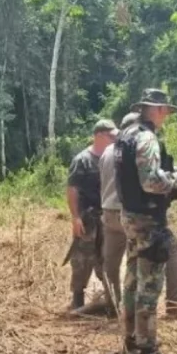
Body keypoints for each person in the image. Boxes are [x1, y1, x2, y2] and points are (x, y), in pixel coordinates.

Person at [115, 89, 177, 354]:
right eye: (164, 109)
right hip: (148, 221)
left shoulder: (125, 136)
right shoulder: (146, 137)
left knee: (131, 280)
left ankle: (130, 339)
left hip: (129, 216)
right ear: (156, 110)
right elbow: (152, 182)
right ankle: (148, 352)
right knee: (149, 287)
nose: (166, 115)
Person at [100, 113, 177, 318]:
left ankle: (114, 306)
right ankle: (172, 307)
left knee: (116, 264)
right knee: (159, 261)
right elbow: (150, 179)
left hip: (113, 213)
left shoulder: (110, 152)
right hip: (139, 214)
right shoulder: (143, 142)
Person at [66, 120, 118, 310]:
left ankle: (111, 298)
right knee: (82, 258)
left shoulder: (112, 158)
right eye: (111, 136)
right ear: (99, 135)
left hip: (107, 217)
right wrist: (75, 217)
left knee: (107, 257)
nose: (114, 139)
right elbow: (72, 189)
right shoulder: (82, 160)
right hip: (87, 218)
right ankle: (77, 298)